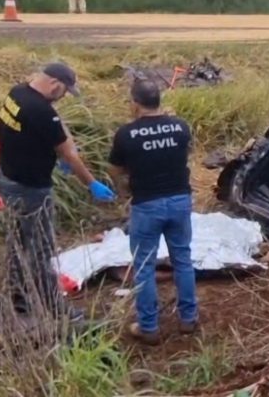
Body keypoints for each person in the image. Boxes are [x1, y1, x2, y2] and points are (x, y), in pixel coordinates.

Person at [0, 62, 116, 319]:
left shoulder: (18, 93)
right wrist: (91, 183)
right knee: (41, 248)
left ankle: (18, 297)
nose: (63, 96)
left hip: (7, 179)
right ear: (54, 84)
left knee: (17, 241)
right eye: (64, 91)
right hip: (30, 189)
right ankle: (54, 308)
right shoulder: (39, 111)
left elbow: (56, 123)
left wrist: (59, 145)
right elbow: (69, 154)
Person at [108, 80, 197, 345]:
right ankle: (188, 319)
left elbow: (114, 169)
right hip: (180, 200)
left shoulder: (126, 134)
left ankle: (149, 327)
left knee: (144, 266)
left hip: (147, 204)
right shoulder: (180, 127)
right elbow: (184, 155)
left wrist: (128, 183)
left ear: (135, 103)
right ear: (159, 100)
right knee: (182, 259)